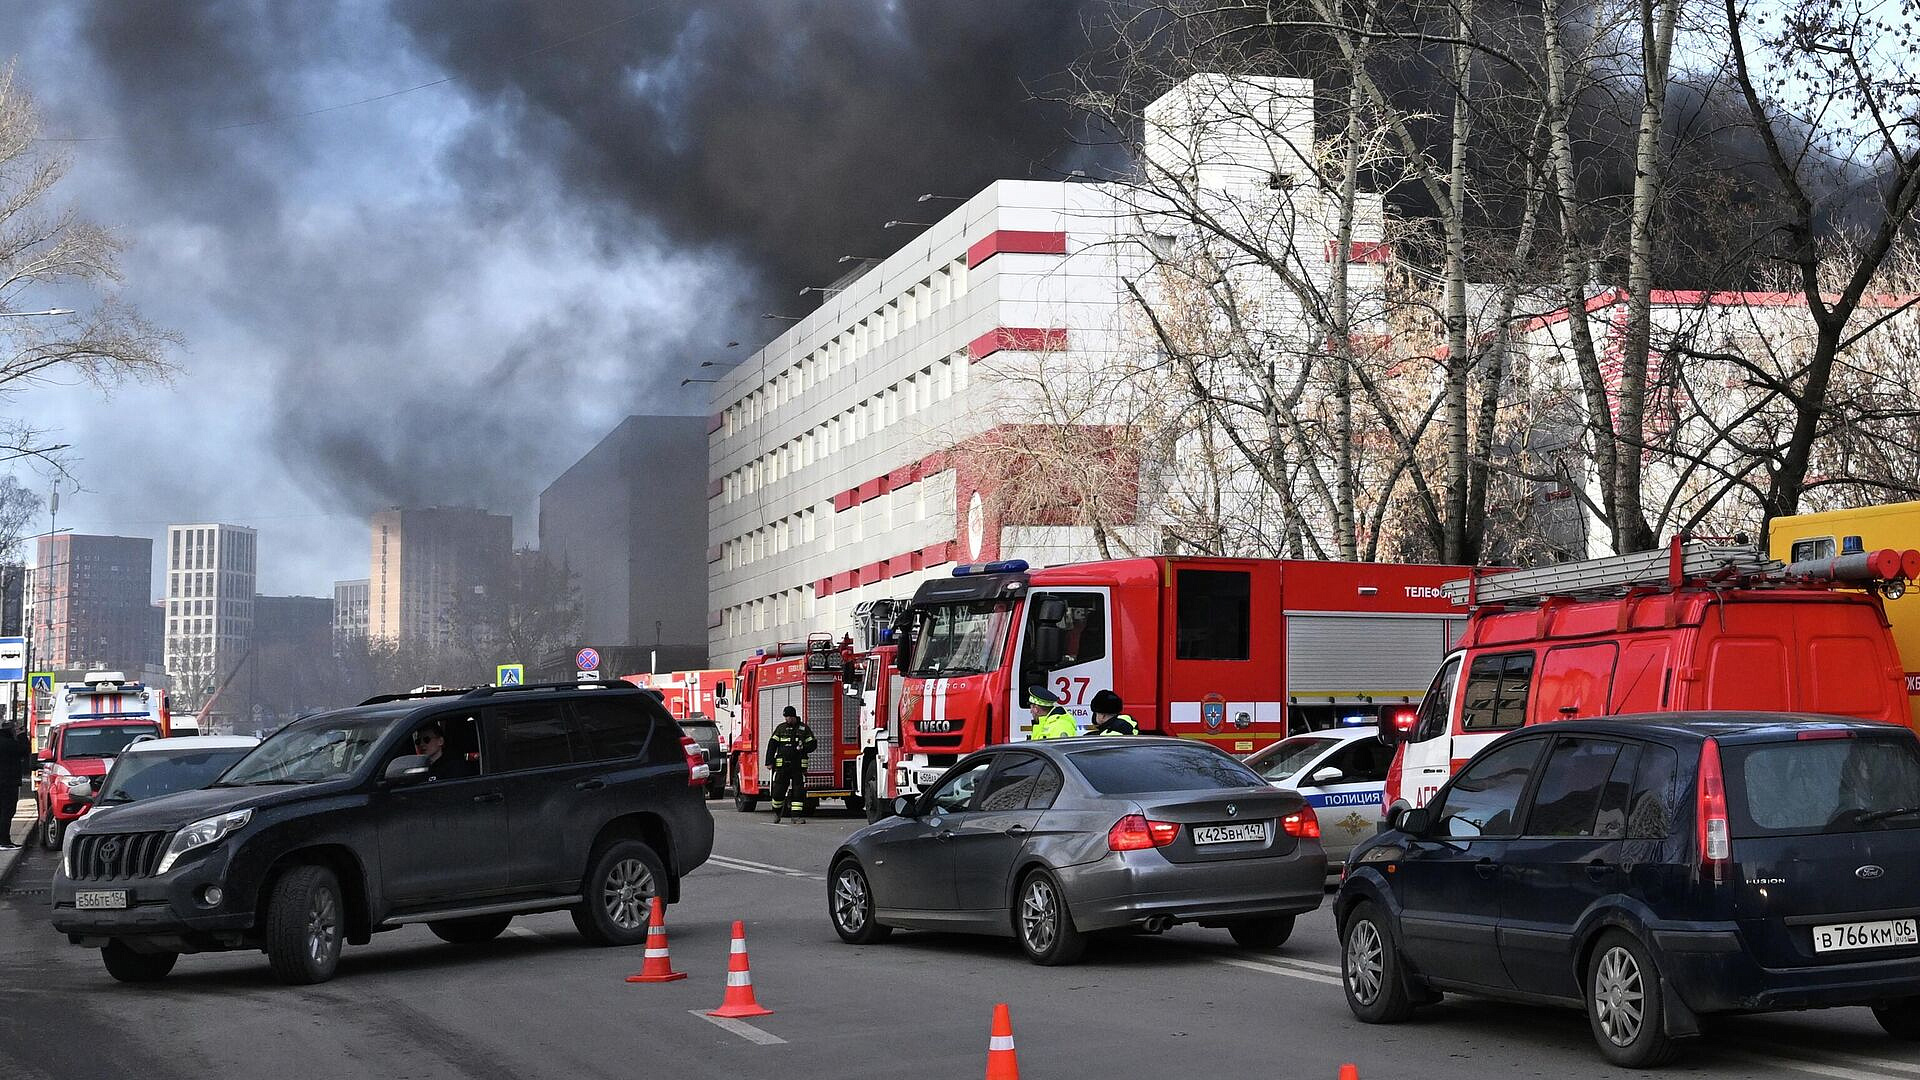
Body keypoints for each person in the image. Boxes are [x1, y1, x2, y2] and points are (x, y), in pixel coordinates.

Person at [767, 705, 817, 824]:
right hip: (782, 766)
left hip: (797, 766)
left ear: (794, 716)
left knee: (798, 792)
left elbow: (813, 744)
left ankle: (796, 816)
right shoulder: (781, 728)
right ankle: (776, 813)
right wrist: (769, 762)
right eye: (785, 717)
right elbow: (772, 745)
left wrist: (803, 747)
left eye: (789, 717)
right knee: (778, 792)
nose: (787, 719)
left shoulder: (803, 729)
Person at [0, 723, 26, 849]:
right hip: (8, 783)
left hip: (5, 782)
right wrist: (22, 735)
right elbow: (25, 750)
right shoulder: (9, 744)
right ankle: (4, 841)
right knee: (7, 811)